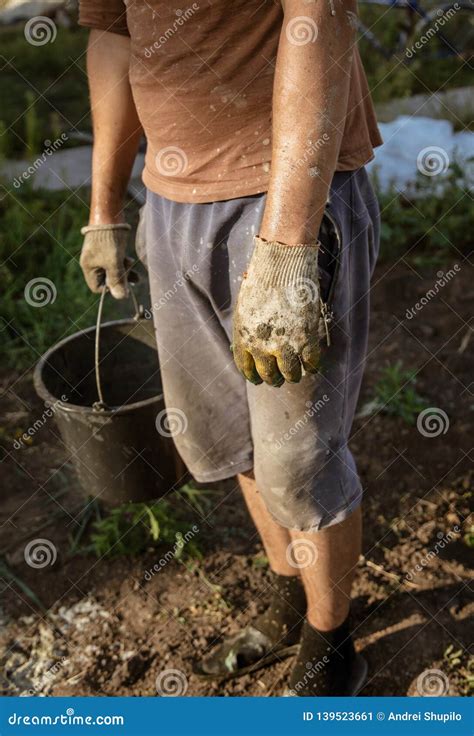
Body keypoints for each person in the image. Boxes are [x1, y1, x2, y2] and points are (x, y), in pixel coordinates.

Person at [78, 0, 382, 696]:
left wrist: (286, 247)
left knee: (299, 462)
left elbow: (320, 21)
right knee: (231, 437)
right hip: (173, 202)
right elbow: (113, 37)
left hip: (283, 200)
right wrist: (105, 210)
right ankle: (291, 598)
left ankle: (332, 637)